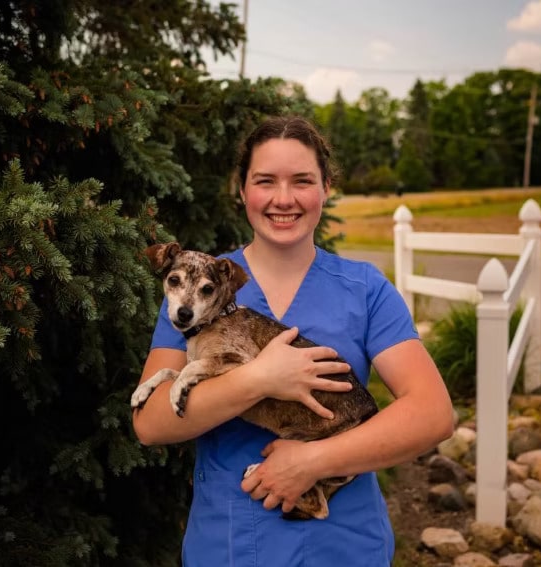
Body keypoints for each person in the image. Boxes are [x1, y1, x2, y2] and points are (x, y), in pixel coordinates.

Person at [132, 115, 455, 566]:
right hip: (229, 544)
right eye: (265, 181)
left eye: (302, 181)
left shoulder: (365, 289)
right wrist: (260, 379)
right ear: (241, 190)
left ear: (326, 188)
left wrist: (312, 461)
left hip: (342, 545)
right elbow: (149, 423)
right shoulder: (198, 286)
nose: (284, 199)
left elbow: (432, 414)